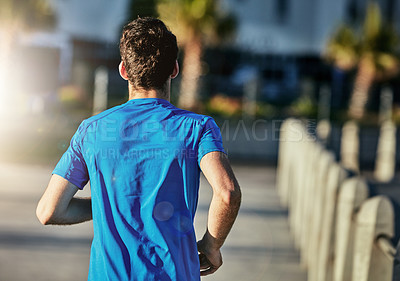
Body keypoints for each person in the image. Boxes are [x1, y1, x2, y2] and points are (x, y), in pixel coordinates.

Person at [36, 17, 241, 281]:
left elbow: (48, 211)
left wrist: (109, 204)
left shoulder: (91, 130)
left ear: (123, 70)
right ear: (175, 69)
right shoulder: (198, 127)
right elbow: (227, 193)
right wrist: (212, 246)